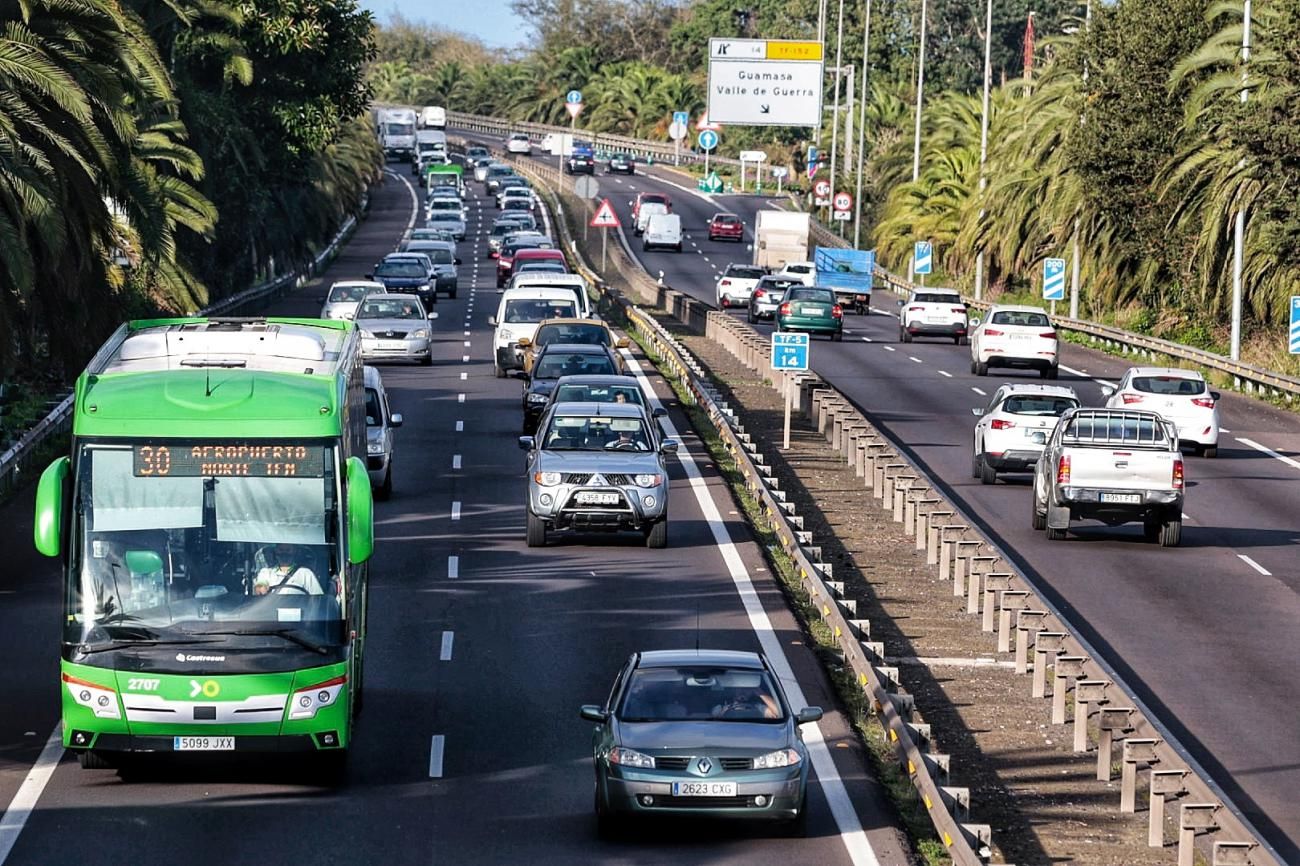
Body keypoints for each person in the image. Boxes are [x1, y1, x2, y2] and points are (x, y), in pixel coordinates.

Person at [252, 542, 324, 595]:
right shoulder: (266, 572)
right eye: (281, 550)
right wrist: (260, 587)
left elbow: (318, 598)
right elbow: (260, 585)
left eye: (288, 550)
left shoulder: (305, 573)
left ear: (294, 552)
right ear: (275, 552)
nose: (284, 553)